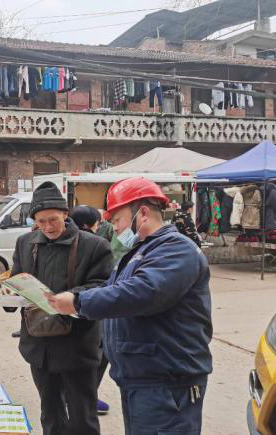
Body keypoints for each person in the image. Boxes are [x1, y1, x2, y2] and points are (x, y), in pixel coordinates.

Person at [46, 177, 213, 435]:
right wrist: (70, 298)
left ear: (142, 213)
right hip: (142, 379)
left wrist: (78, 302)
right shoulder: (140, 252)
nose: (114, 229)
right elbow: (110, 288)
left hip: (167, 383)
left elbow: (141, 293)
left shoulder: (176, 249)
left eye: (117, 220)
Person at [10, 182, 113, 435]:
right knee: (50, 412)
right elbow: (17, 278)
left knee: (82, 415)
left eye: (53, 220)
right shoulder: (25, 243)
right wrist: (12, 293)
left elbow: (102, 287)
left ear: (65, 214)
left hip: (77, 344)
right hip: (39, 345)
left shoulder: (95, 246)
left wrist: (73, 297)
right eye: (41, 221)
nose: (48, 227)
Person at [70, 205, 112, 416]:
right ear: (88, 225)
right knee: (99, 353)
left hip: (65, 309)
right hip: (86, 307)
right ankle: (87, 397)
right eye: (97, 223)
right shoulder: (97, 245)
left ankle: (77, 397)